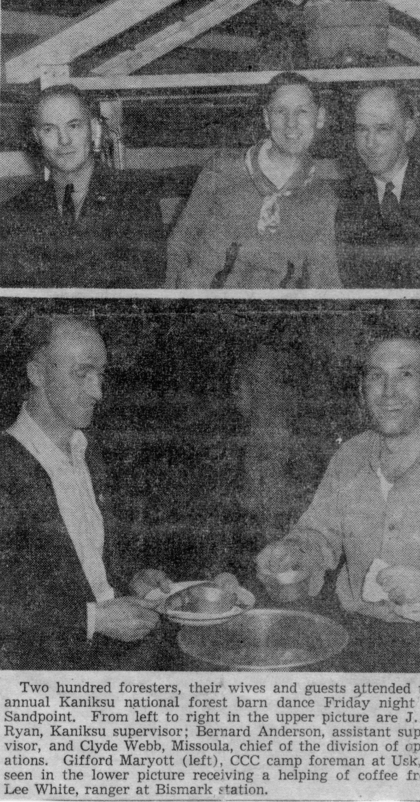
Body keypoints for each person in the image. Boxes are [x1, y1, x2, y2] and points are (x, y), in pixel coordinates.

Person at [0, 314, 168, 669]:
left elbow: (87, 568)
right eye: (82, 374)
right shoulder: (6, 467)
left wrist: (132, 580)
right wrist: (95, 620)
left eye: (101, 373)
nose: (98, 392)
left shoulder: (88, 452)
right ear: (37, 374)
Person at [256, 335, 420, 624]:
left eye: (405, 375)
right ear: (362, 389)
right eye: (376, 376)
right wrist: (293, 552)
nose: (388, 392)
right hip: (355, 627)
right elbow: (319, 534)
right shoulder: (350, 456)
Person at [165, 72, 341, 289]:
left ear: (320, 117)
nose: (291, 124)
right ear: (266, 118)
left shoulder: (322, 198)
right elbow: (180, 244)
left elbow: (323, 279)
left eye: (302, 111)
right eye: (280, 111)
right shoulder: (222, 169)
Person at [0, 85, 166, 288]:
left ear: (94, 129)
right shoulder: (14, 212)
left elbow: (142, 293)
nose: (64, 140)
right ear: (36, 137)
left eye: (74, 125)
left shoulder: (136, 201)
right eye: (49, 129)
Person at [335, 85, 420, 288]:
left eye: (383, 129)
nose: (370, 143)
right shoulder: (342, 199)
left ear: (408, 130)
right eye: (362, 129)